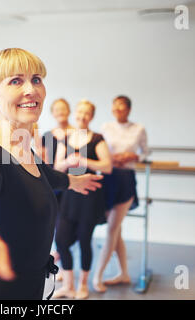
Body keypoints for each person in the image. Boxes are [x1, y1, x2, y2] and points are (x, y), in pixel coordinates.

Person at [0, 48, 103, 300]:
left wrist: (74, 180)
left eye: (36, 79)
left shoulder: (27, 154)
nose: (31, 89)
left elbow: (48, 178)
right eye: (16, 80)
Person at [53, 99, 112, 299]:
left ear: (91, 116)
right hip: (69, 197)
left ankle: (83, 285)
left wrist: (84, 160)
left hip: (89, 197)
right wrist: (68, 161)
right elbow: (56, 168)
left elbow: (107, 166)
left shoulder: (97, 139)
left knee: (85, 241)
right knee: (61, 240)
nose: (82, 116)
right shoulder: (66, 139)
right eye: (80, 112)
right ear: (75, 114)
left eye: (87, 113)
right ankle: (68, 286)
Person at [92, 95, 149, 292]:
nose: (117, 111)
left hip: (125, 179)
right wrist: (110, 158)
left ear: (128, 109)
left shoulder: (138, 128)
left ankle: (97, 276)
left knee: (111, 230)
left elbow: (145, 152)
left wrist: (133, 156)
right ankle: (124, 273)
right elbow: (99, 150)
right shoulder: (106, 127)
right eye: (114, 107)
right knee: (116, 230)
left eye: (121, 107)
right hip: (108, 179)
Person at [41, 98, 74, 277]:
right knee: (55, 224)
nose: (61, 112)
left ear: (69, 110)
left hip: (71, 184)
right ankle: (58, 261)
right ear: (52, 113)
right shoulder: (47, 135)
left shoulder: (77, 133)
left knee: (67, 225)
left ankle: (63, 259)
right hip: (53, 184)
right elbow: (45, 162)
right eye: (57, 110)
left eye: (64, 109)